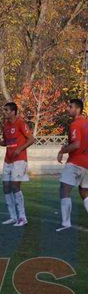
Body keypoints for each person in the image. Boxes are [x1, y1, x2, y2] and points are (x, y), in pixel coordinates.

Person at [0, 102, 35, 226]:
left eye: (6, 110)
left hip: (19, 160)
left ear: (13, 112)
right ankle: (13, 217)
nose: (4, 112)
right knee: (6, 187)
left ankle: (22, 217)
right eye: (4, 110)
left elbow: (31, 139)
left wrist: (20, 149)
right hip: (8, 160)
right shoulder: (6, 125)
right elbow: (7, 142)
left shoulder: (21, 123)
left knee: (15, 186)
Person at [56, 98, 88, 232]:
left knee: (64, 189)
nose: (68, 109)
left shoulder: (75, 124)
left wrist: (62, 151)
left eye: (70, 107)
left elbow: (76, 145)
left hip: (76, 162)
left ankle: (66, 223)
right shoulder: (86, 123)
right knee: (84, 192)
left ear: (78, 109)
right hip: (87, 164)